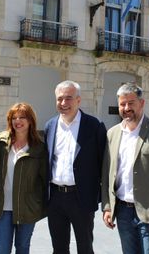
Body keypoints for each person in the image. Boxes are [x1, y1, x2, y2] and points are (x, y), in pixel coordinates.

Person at [102, 83, 149, 254]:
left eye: (131, 103)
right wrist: (107, 207)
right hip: (122, 211)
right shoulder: (112, 134)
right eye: (122, 104)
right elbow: (107, 174)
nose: (126, 108)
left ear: (142, 103)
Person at [44, 80, 107, 254]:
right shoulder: (50, 126)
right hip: (55, 197)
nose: (63, 103)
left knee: (85, 247)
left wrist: (104, 199)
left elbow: (104, 164)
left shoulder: (94, 126)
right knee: (59, 248)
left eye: (69, 98)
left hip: (82, 198)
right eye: (60, 99)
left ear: (78, 100)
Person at [0, 103, 48, 254]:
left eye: (22, 117)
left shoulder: (39, 148)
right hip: (3, 206)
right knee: (2, 249)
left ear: (30, 120)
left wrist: (41, 204)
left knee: (22, 248)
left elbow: (44, 179)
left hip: (28, 207)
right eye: (14, 118)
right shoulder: (1, 142)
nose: (18, 121)